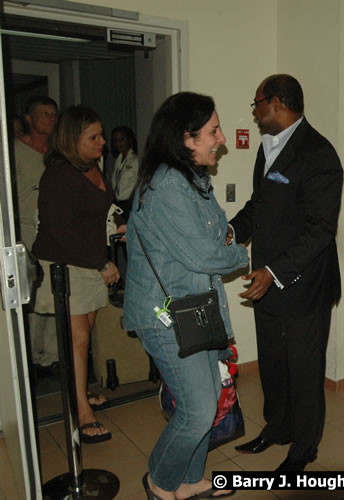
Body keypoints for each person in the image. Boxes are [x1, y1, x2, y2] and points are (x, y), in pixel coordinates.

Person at [123, 91, 247, 499]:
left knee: (207, 405)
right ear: (186, 138)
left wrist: (223, 242)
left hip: (193, 310)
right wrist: (239, 254)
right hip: (167, 317)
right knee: (197, 412)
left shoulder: (191, 180)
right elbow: (206, 254)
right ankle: (160, 479)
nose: (222, 138)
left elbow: (216, 230)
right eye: (213, 131)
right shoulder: (168, 186)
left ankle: (190, 482)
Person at [229, 74, 343, 473]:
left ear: (275, 102)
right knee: (274, 364)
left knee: (305, 371)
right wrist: (231, 233)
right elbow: (258, 206)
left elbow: (321, 230)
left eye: (257, 103)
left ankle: (304, 449)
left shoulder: (319, 154)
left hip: (303, 284)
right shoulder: (268, 148)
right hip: (267, 283)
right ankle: (277, 428)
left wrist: (274, 271)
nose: (255, 112)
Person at [32, 105, 122, 443]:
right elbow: (61, 232)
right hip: (66, 264)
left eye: (101, 135)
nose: (103, 142)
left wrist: (118, 222)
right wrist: (101, 264)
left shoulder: (92, 166)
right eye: (94, 137)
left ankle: (80, 391)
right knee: (78, 340)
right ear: (73, 140)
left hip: (88, 260)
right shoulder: (58, 175)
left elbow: (97, 212)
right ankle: (82, 411)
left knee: (85, 337)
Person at [13, 96, 59, 377]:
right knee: (31, 294)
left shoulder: (56, 153)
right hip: (26, 232)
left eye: (54, 114)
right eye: (44, 114)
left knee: (55, 292)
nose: (50, 119)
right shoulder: (15, 152)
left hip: (54, 229)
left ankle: (53, 356)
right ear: (29, 118)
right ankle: (32, 355)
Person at [110, 125, 139, 216]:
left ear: (129, 140)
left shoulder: (136, 160)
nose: (118, 143)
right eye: (115, 140)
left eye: (122, 139)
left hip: (130, 205)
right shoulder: (118, 160)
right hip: (117, 204)